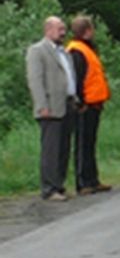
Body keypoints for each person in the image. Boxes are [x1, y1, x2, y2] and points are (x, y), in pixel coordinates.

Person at [25, 16, 78, 201]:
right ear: (48, 30)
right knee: (51, 149)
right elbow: (35, 80)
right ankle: (49, 188)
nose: (63, 32)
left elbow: (69, 76)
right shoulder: (38, 51)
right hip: (50, 106)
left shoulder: (64, 52)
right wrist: (41, 105)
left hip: (68, 104)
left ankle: (59, 185)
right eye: (59, 29)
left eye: (64, 29)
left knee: (64, 148)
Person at [67, 14, 112, 195]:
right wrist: (80, 101)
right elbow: (76, 78)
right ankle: (83, 182)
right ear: (87, 31)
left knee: (90, 143)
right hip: (85, 105)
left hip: (94, 102)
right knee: (82, 144)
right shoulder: (77, 50)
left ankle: (92, 179)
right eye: (91, 28)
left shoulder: (86, 48)